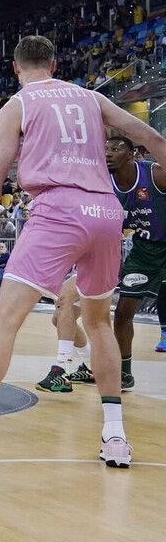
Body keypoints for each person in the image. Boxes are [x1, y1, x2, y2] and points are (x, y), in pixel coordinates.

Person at [0, 35, 166, 469]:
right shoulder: (90, 96)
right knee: (100, 322)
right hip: (105, 212)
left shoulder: (17, 106)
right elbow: (152, 137)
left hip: (57, 210)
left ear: (16, 68)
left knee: (4, 319)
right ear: (55, 63)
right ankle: (116, 438)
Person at [104, 135, 166, 384]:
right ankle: (125, 372)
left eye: (116, 149)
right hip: (145, 250)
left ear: (131, 154)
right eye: (106, 149)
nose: (108, 153)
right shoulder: (103, 183)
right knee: (122, 313)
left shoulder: (155, 174)